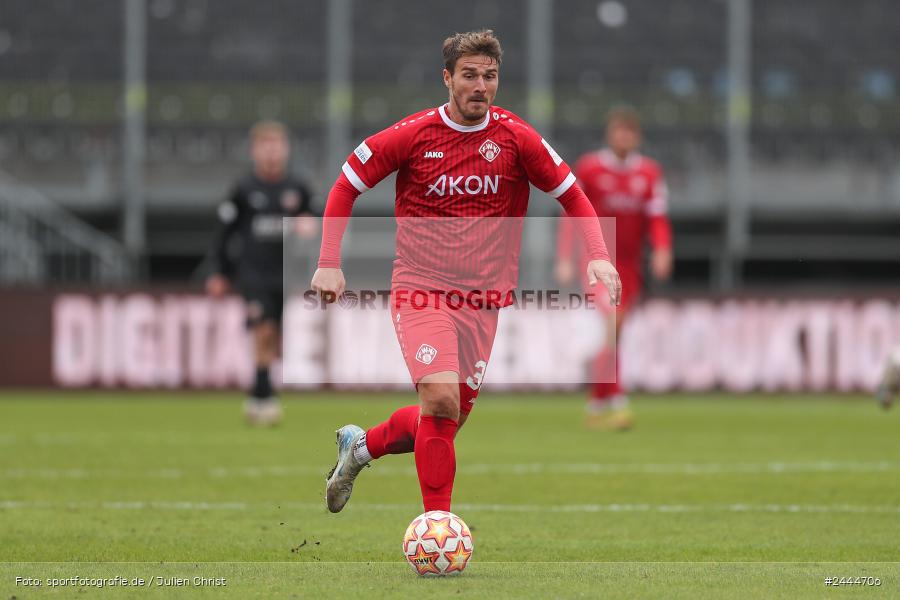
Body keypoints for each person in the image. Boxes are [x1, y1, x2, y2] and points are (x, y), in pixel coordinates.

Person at [311, 30, 621, 521]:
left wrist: (599, 253)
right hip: (421, 288)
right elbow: (348, 182)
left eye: (490, 76)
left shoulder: (517, 138)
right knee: (439, 397)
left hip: (483, 301)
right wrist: (329, 260)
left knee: (443, 420)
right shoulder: (413, 135)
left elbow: (573, 194)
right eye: (470, 75)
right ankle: (438, 528)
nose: (481, 86)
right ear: (447, 79)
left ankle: (360, 448)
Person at [556, 107, 673, 431]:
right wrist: (565, 256)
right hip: (597, 259)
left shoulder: (649, 174)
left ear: (637, 138)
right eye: (619, 132)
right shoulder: (591, 169)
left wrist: (662, 249)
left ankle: (596, 403)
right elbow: (571, 211)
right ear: (610, 135)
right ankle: (619, 404)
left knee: (614, 335)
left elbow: (658, 218)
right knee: (612, 322)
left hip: (630, 266)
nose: (624, 138)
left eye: (630, 133)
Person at [206, 121, 318, 426]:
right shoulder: (244, 189)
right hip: (252, 272)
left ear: (285, 149)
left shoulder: (297, 188)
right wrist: (220, 272)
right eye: (265, 146)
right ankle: (264, 398)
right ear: (255, 151)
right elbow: (224, 233)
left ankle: (257, 394)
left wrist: (309, 224)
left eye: (276, 145)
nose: (271, 152)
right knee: (263, 329)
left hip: (283, 274)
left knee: (272, 335)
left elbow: (313, 219)